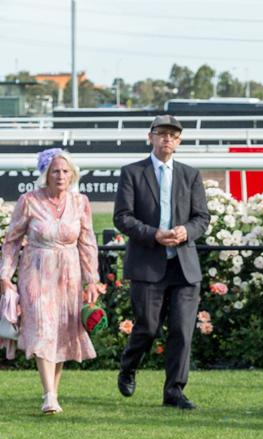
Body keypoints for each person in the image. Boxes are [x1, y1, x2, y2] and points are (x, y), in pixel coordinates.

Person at [114, 115, 210, 410]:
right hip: (148, 263)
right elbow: (122, 218)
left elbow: (202, 218)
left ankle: (174, 392)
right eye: (161, 133)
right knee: (148, 327)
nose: (167, 138)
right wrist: (153, 234)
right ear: (150, 137)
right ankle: (129, 366)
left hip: (183, 266)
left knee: (182, 330)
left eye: (173, 135)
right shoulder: (133, 173)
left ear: (179, 141)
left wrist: (187, 231)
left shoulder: (190, 175)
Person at [0, 148, 101, 415]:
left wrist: (92, 281)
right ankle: (49, 395)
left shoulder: (81, 202)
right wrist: (4, 276)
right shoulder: (29, 200)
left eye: (65, 171)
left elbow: (88, 243)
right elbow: (11, 242)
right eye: (55, 171)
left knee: (62, 330)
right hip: (36, 269)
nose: (60, 175)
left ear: (73, 175)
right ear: (46, 174)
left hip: (69, 274)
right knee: (42, 326)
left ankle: (52, 393)